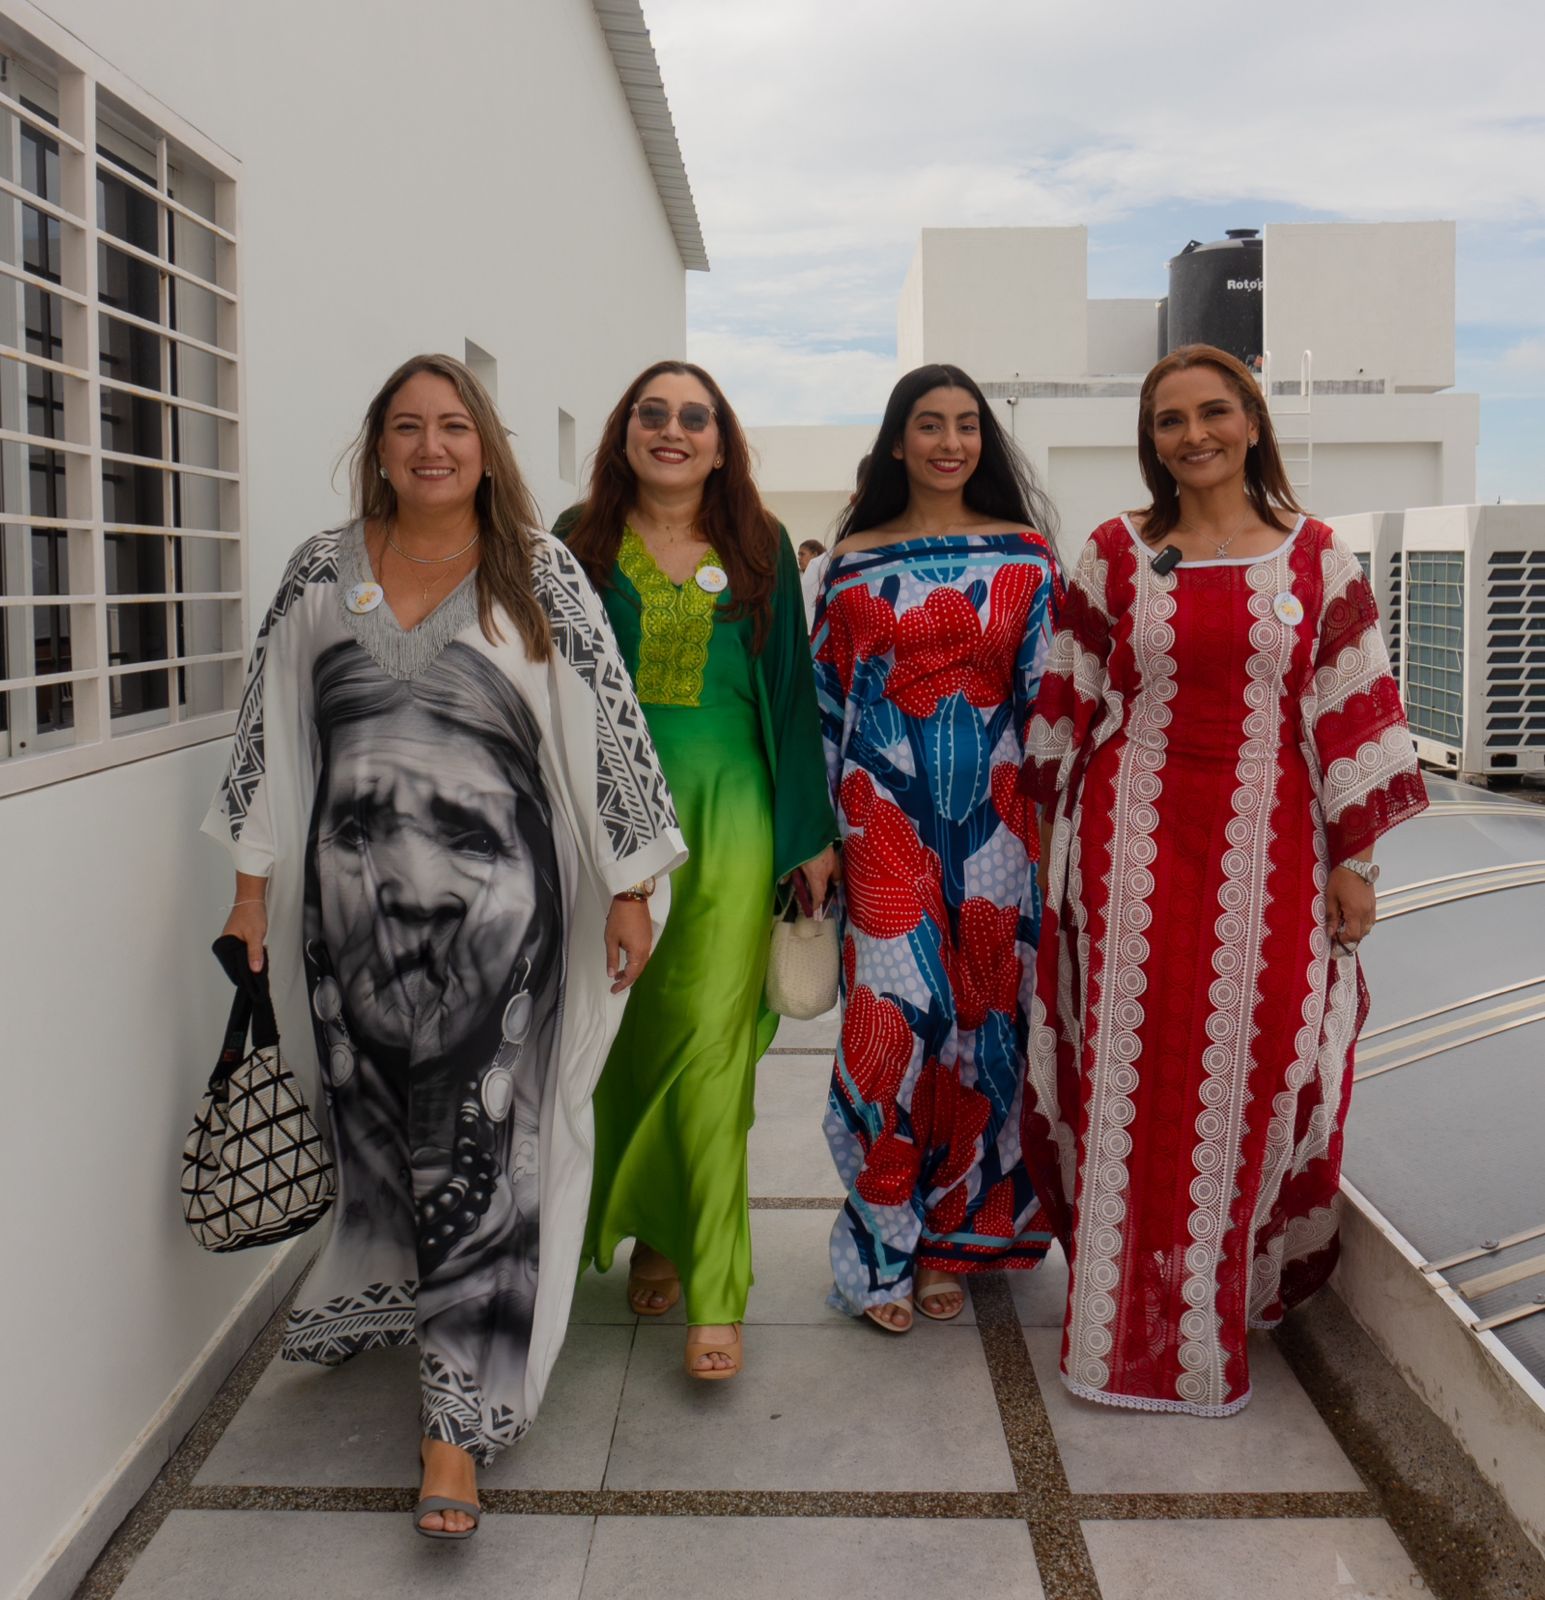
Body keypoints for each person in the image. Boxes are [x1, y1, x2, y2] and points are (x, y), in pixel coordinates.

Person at [204, 354, 685, 1536]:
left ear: (486, 444)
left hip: (500, 916)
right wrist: (250, 893)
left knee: (485, 1149)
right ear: (378, 445)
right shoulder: (320, 572)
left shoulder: (539, 571)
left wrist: (629, 884)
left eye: (454, 426)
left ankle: (454, 1432)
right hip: (348, 915)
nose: (433, 446)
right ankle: (399, 1309)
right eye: (409, 427)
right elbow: (264, 733)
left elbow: (604, 731)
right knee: (378, 1135)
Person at [1021, 344, 1428, 1416]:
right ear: (1150, 441)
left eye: (1212, 413)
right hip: (1127, 843)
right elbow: (1065, 700)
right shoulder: (1114, 553)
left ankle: (1211, 1316)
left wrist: (1358, 864)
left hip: (1275, 843)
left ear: (1251, 421)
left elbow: (1351, 719)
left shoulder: (1319, 561)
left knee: (1260, 1062)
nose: (1192, 434)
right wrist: (1044, 852)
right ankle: (1114, 1336)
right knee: (1128, 1075)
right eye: (1169, 420)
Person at [558, 360, 838, 1380]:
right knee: (621, 1038)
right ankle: (657, 1232)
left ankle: (717, 1287)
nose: (672, 430)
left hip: (736, 818)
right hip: (609, 828)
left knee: (714, 1054)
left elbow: (793, 693)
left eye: (695, 416)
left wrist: (809, 833)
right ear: (624, 430)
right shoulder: (575, 538)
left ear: (721, 441)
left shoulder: (759, 545)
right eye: (653, 413)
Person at [812, 364, 1061, 1332]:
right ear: (898, 440)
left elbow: (1055, 701)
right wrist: (818, 841)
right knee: (891, 1025)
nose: (950, 442)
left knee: (985, 1028)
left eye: (966, 425)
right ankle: (880, 1245)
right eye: (929, 424)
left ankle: (955, 1238)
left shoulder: (1030, 558)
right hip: (881, 824)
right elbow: (824, 703)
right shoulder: (850, 561)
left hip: (1002, 828)